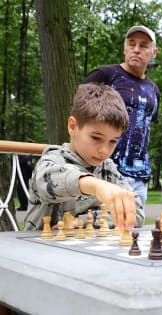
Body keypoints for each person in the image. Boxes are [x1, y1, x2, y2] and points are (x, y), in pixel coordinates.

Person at [24, 83, 145, 231]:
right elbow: (47, 182)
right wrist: (96, 186)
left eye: (113, 141)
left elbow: (136, 213)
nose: (104, 150)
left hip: (84, 249)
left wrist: (84, 221)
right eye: (96, 138)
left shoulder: (107, 169)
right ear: (73, 127)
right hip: (38, 248)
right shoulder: (52, 159)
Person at [83, 25, 160, 209]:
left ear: (153, 53)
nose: (136, 49)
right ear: (124, 48)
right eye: (131, 44)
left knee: (131, 232)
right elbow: (79, 117)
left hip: (140, 175)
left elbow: (146, 129)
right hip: (105, 170)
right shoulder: (105, 75)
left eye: (143, 45)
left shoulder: (154, 90)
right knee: (102, 230)